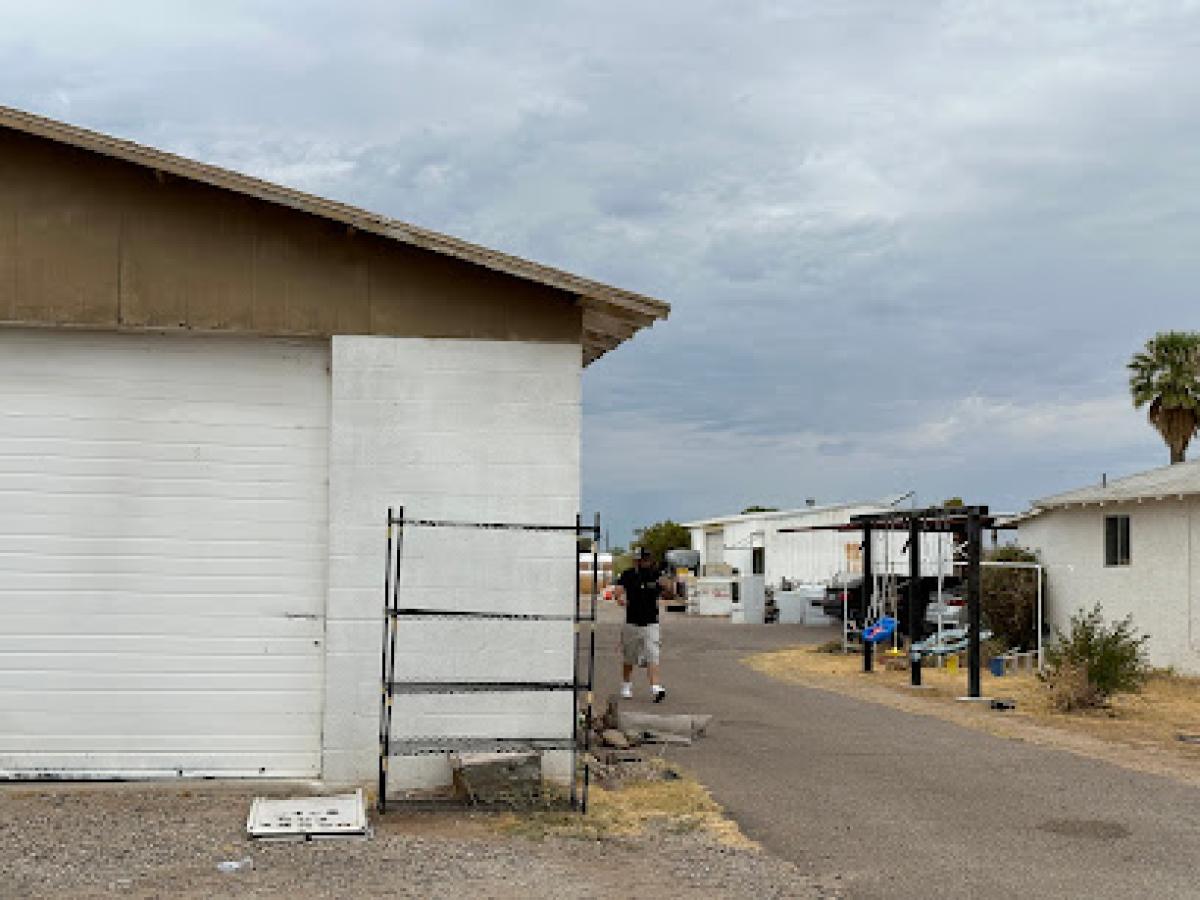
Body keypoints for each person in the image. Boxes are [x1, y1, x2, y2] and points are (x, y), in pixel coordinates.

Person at [614, 547, 672, 702]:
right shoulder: (628, 575)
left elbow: (668, 593)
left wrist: (667, 586)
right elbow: (618, 589)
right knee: (629, 657)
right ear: (636, 561)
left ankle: (656, 687)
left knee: (653, 655)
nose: (645, 562)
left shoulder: (656, 575)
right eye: (641, 559)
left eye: (647, 559)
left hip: (651, 622)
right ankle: (626, 684)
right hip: (632, 622)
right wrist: (619, 597)